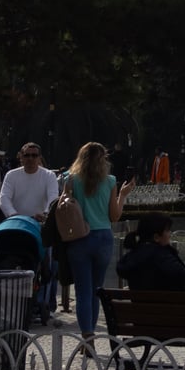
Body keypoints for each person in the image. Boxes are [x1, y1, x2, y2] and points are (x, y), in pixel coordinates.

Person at [58, 140, 128, 336]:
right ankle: (91, 334)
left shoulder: (70, 179)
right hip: (103, 237)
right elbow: (114, 217)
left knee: (82, 292)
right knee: (96, 291)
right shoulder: (110, 181)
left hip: (79, 237)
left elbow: (64, 208)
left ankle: (87, 336)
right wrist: (122, 196)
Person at [119, 212, 185, 293]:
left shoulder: (131, 258)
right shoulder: (161, 256)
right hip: (174, 309)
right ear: (156, 237)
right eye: (167, 230)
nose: (170, 233)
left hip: (142, 310)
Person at [0, 141, 58, 221]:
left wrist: (46, 213)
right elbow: (4, 198)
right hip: (16, 222)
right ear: (21, 157)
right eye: (26, 155)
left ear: (40, 158)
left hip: (40, 222)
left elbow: (53, 197)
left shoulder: (49, 175)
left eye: (34, 155)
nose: (30, 158)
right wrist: (12, 214)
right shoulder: (11, 175)